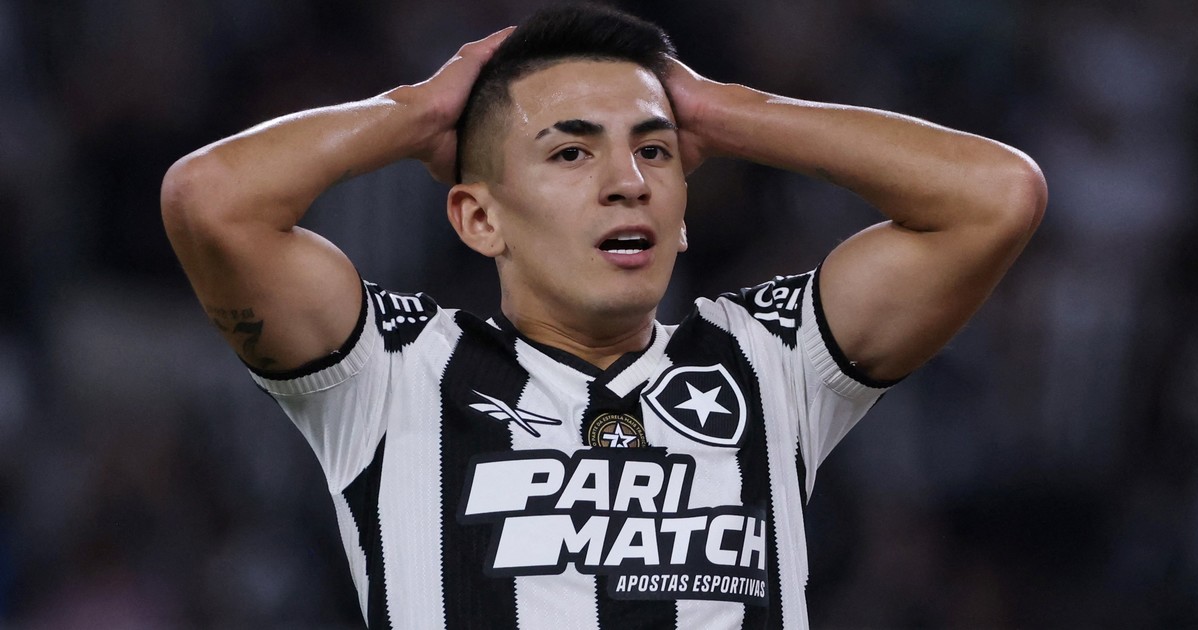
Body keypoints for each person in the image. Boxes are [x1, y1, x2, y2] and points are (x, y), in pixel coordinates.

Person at [161, 4, 1045, 629]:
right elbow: (211, 200)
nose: (628, 181)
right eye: (571, 152)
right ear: (479, 218)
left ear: (684, 212)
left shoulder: (770, 359)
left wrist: (726, 111)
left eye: (655, 151)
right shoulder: (393, 370)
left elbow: (996, 196)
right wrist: (417, 111)